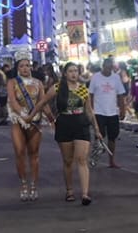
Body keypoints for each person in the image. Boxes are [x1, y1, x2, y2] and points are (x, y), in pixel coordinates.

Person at [53, 62, 97, 205]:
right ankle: (69, 190)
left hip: (81, 124)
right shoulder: (57, 88)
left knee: (82, 159)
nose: (73, 74)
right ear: (65, 73)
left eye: (76, 71)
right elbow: (43, 103)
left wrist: (96, 129)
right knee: (68, 160)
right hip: (64, 124)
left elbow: (89, 111)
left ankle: (85, 194)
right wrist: (33, 116)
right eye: (71, 71)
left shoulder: (84, 89)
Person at [7, 56, 49, 200]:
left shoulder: (38, 83)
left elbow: (43, 102)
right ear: (17, 68)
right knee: (19, 152)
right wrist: (23, 115)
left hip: (35, 120)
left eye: (27, 65)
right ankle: (23, 183)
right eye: (22, 66)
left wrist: (52, 118)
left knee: (34, 154)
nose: (25, 68)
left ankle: (34, 185)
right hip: (19, 120)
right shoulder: (12, 82)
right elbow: (13, 101)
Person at [87, 57, 128, 168]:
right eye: (107, 67)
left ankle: (111, 160)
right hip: (99, 112)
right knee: (99, 137)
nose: (108, 70)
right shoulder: (96, 77)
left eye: (110, 68)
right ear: (103, 66)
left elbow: (120, 95)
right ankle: (95, 158)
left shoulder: (116, 78)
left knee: (112, 137)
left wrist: (122, 109)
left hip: (112, 112)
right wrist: (90, 110)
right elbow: (90, 95)